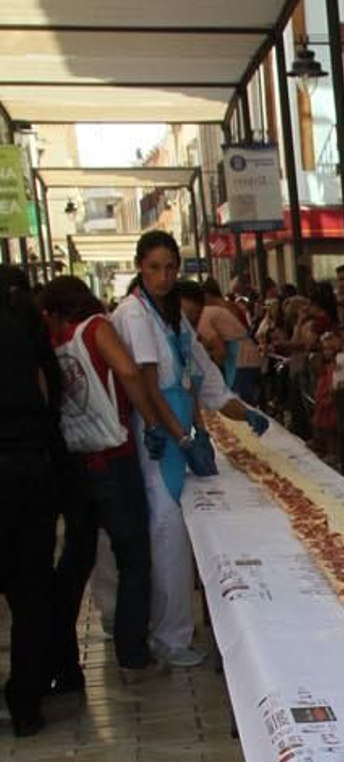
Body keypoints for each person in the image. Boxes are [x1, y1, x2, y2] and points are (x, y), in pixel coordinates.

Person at [112, 230, 261, 666]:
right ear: (140, 267)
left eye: (170, 268)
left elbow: (202, 375)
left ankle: (175, 628)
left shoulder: (172, 314)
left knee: (177, 528)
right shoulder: (135, 314)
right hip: (159, 433)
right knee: (167, 533)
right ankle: (170, 637)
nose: (163, 276)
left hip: (176, 424)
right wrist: (177, 434)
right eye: (154, 268)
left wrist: (244, 412)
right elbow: (147, 383)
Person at [40, 275, 154, 684]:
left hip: (76, 462)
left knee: (76, 559)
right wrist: (152, 420)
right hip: (113, 458)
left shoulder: (53, 341)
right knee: (133, 557)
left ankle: (58, 653)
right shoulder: (95, 328)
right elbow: (127, 371)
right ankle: (133, 654)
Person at [0, 266, 64, 736]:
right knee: (30, 590)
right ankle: (26, 700)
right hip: (30, 468)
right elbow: (51, 392)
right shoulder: (26, 327)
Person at [195, 278, 262, 403]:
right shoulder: (222, 308)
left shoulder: (204, 315)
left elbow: (220, 350)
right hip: (246, 356)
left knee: (239, 402)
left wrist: (213, 374)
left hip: (240, 360)